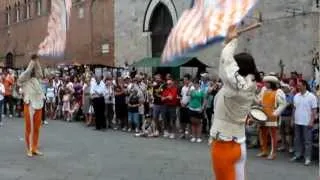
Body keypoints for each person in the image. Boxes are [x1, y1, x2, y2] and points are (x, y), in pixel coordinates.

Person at [210, 26, 261, 180]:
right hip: (239, 143)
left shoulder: (236, 87)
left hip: (224, 144)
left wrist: (232, 41)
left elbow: (226, 63)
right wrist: (228, 41)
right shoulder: (249, 85)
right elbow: (227, 65)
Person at [17, 54, 45, 157]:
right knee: (29, 128)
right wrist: (32, 62)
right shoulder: (22, 79)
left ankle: (34, 148)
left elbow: (40, 74)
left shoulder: (36, 79)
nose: (33, 71)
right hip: (29, 105)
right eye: (31, 69)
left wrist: (37, 61)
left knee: (37, 128)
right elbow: (27, 72)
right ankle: (29, 149)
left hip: (39, 104)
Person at [256, 74, 287, 160]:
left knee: (273, 135)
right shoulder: (263, 90)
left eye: (266, 82)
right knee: (263, 133)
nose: (265, 84)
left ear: (271, 83)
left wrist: (276, 113)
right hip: (263, 115)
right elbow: (259, 101)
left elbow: (283, 104)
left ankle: (273, 153)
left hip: (272, 116)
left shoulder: (278, 91)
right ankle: (264, 150)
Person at [290, 80, 318, 166]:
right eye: (297, 85)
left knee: (307, 141)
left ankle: (307, 158)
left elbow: (314, 110)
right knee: (297, 140)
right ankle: (298, 155)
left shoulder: (311, 96)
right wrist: (292, 119)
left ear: (305, 86)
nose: (298, 87)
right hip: (297, 121)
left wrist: (311, 121)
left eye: (299, 85)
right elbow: (294, 109)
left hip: (307, 122)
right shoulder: (296, 96)